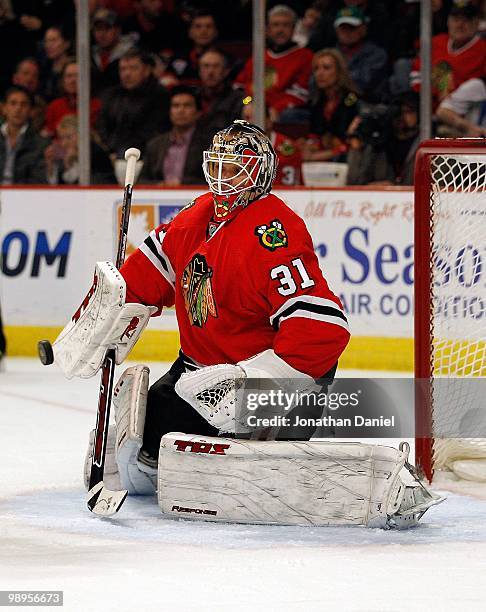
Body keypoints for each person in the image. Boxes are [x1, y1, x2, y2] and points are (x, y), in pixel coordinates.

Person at [234, 4, 314, 121]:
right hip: (253, 109)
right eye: (276, 25)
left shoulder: (305, 56)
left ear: (293, 29)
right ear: (268, 29)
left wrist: (274, 108)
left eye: (285, 25)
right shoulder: (258, 56)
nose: (280, 30)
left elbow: (300, 94)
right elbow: (240, 87)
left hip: (282, 113)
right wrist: (248, 103)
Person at [96, 48, 170, 159]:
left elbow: (154, 131)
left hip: (143, 155)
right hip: (112, 153)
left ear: (147, 70)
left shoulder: (160, 96)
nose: (127, 74)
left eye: (133, 68)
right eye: (123, 69)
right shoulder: (112, 95)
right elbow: (102, 126)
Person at [411, 2, 486, 107]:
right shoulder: (435, 42)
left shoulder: (483, 50)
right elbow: (416, 76)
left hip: (468, 111)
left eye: (466, 21)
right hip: (430, 109)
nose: (460, 25)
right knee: (443, 67)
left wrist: (452, 91)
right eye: (455, 20)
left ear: (476, 24)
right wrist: (438, 90)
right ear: (448, 22)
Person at [139, 86, 209, 185]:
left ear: (198, 113)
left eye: (187, 105)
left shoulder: (208, 145)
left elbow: (213, 182)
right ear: (170, 112)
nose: (180, 110)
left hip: (195, 197)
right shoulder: (155, 145)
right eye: (176, 106)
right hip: (159, 197)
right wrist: (159, 185)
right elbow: (141, 181)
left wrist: (181, 184)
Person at [346, 93, 420, 186]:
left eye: (408, 112)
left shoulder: (426, 145)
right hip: (379, 198)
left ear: (419, 114)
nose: (401, 116)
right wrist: (356, 146)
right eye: (397, 112)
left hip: (413, 198)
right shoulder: (379, 143)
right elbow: (354, 182)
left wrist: (395, 188)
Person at [301, 48, 360, 163]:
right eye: (316, 69)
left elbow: (352, 144)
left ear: (339, 72)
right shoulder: (317, 102)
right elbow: (316, 136)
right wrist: (308, 145)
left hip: (350, 159)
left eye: (326, 68)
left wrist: (316, 156)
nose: (320, 73)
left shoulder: (351, 101)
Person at [333, 7, 388, 102]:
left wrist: (334, 78)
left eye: (351, 28)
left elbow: (363, 83)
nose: (346, 32)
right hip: (333, 102)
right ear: (337, 30)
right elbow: (314, 83)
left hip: (363, 102)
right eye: (343, 28)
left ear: (363, 29)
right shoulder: (330, 54)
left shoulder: (376, 54)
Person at [44, 115, 116, 185]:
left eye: (68, 137)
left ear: (81, 134)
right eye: (61, 138)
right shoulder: (67, 155)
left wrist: (76, 158)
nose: (64, 143)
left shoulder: (94, 151)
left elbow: (85, 182)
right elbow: (59, 186)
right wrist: (51, 167)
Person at [0, 86, 48, 184]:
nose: (18, 109)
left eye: (24, 104)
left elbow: (38, 181)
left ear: (30, 110)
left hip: (24, 195)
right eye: (13, 103)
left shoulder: (41, 144)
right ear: (3, 108)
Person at [44, 60, 102, 137]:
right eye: (69, 76)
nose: (73, 80)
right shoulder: (54, 106)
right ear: (63, 80)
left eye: (78, 76)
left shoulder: (97, 106)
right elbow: (48, 134)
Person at [198, 49, 243, 136]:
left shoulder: (239, 100)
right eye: (206, 66)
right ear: (199, 71)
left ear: (226, 71)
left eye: (216, 66)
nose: (210, 72)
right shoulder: (192, 98)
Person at [91, 8, 135, 96]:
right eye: (98, 29)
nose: (102, 34)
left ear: (118, 30)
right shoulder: (90, 55)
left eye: (107, 28)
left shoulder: (132, 54)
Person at [38, 25, 72, 101]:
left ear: (66, 43)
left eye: (53, 40)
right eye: (46, 41)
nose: (48, 45)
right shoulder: (43, 68)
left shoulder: (74, 67)